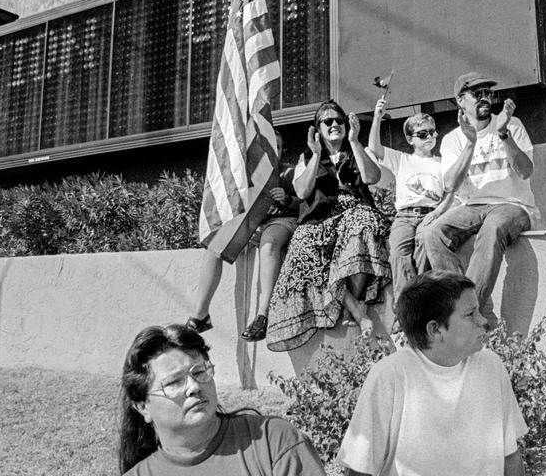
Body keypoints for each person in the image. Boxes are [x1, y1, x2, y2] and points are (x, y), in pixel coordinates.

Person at [337, 271, 528, 476]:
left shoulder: (491, 366)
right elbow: (359, 468)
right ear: (435, 330)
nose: (483, 321)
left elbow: (510, 454)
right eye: (470, 313)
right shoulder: (390, 375)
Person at [118, 324, 324, 475]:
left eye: (199, 372)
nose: (194, 387)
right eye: (173, 383)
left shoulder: (272, 441)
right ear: (143, 406)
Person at [265, 100, 390, 350]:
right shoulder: (308, 157)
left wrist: (355, 141)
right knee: (303, 243)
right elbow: (301, 191)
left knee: (362, 223)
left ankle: (352, 305)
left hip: (353, 210)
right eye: (327, 121)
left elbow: (372, 178)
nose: (334, 125)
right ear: (318, 129)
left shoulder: (356, 150)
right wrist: (317, 154)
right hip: (320, 217)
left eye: (339, 121)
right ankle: (356, 307)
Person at [417, 73, 537, 312]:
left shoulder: (511, 124)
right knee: (433, 234)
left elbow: (525, 172)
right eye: (477, 94)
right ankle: (462, 301)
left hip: (513, 205)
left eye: (488, 94)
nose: (485, 99)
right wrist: (470, 143)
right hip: (472, 206)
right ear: (461, 101)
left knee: (492, 228)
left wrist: (504, 135)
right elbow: (450, 184)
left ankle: (468, 311)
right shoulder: (452, 140)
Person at [184, 130, 302, 342]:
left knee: (269, 243)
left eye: (274, 147)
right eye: (263, 146)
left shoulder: (288, 172)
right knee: (215, 245)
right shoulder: (247, 176)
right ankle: (200, 314)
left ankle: (263, 313)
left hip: (282, 220)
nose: (268, 152)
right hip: (253, 225)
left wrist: (287, 199)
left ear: (281, 151)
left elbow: (305, 202)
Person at [368, 97, 453, 300]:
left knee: (425, 247)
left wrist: (439, 211)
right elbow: (374, 147)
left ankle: (423, 299)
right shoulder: (402, 159)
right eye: (422, 134)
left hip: (430, 214)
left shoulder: (442, 162)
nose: (429, 137)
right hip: (405, 216)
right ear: (410, 139)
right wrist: (377, 117)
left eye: (432, 132)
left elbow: (452, 189)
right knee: (398, 253)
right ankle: (404, 306)